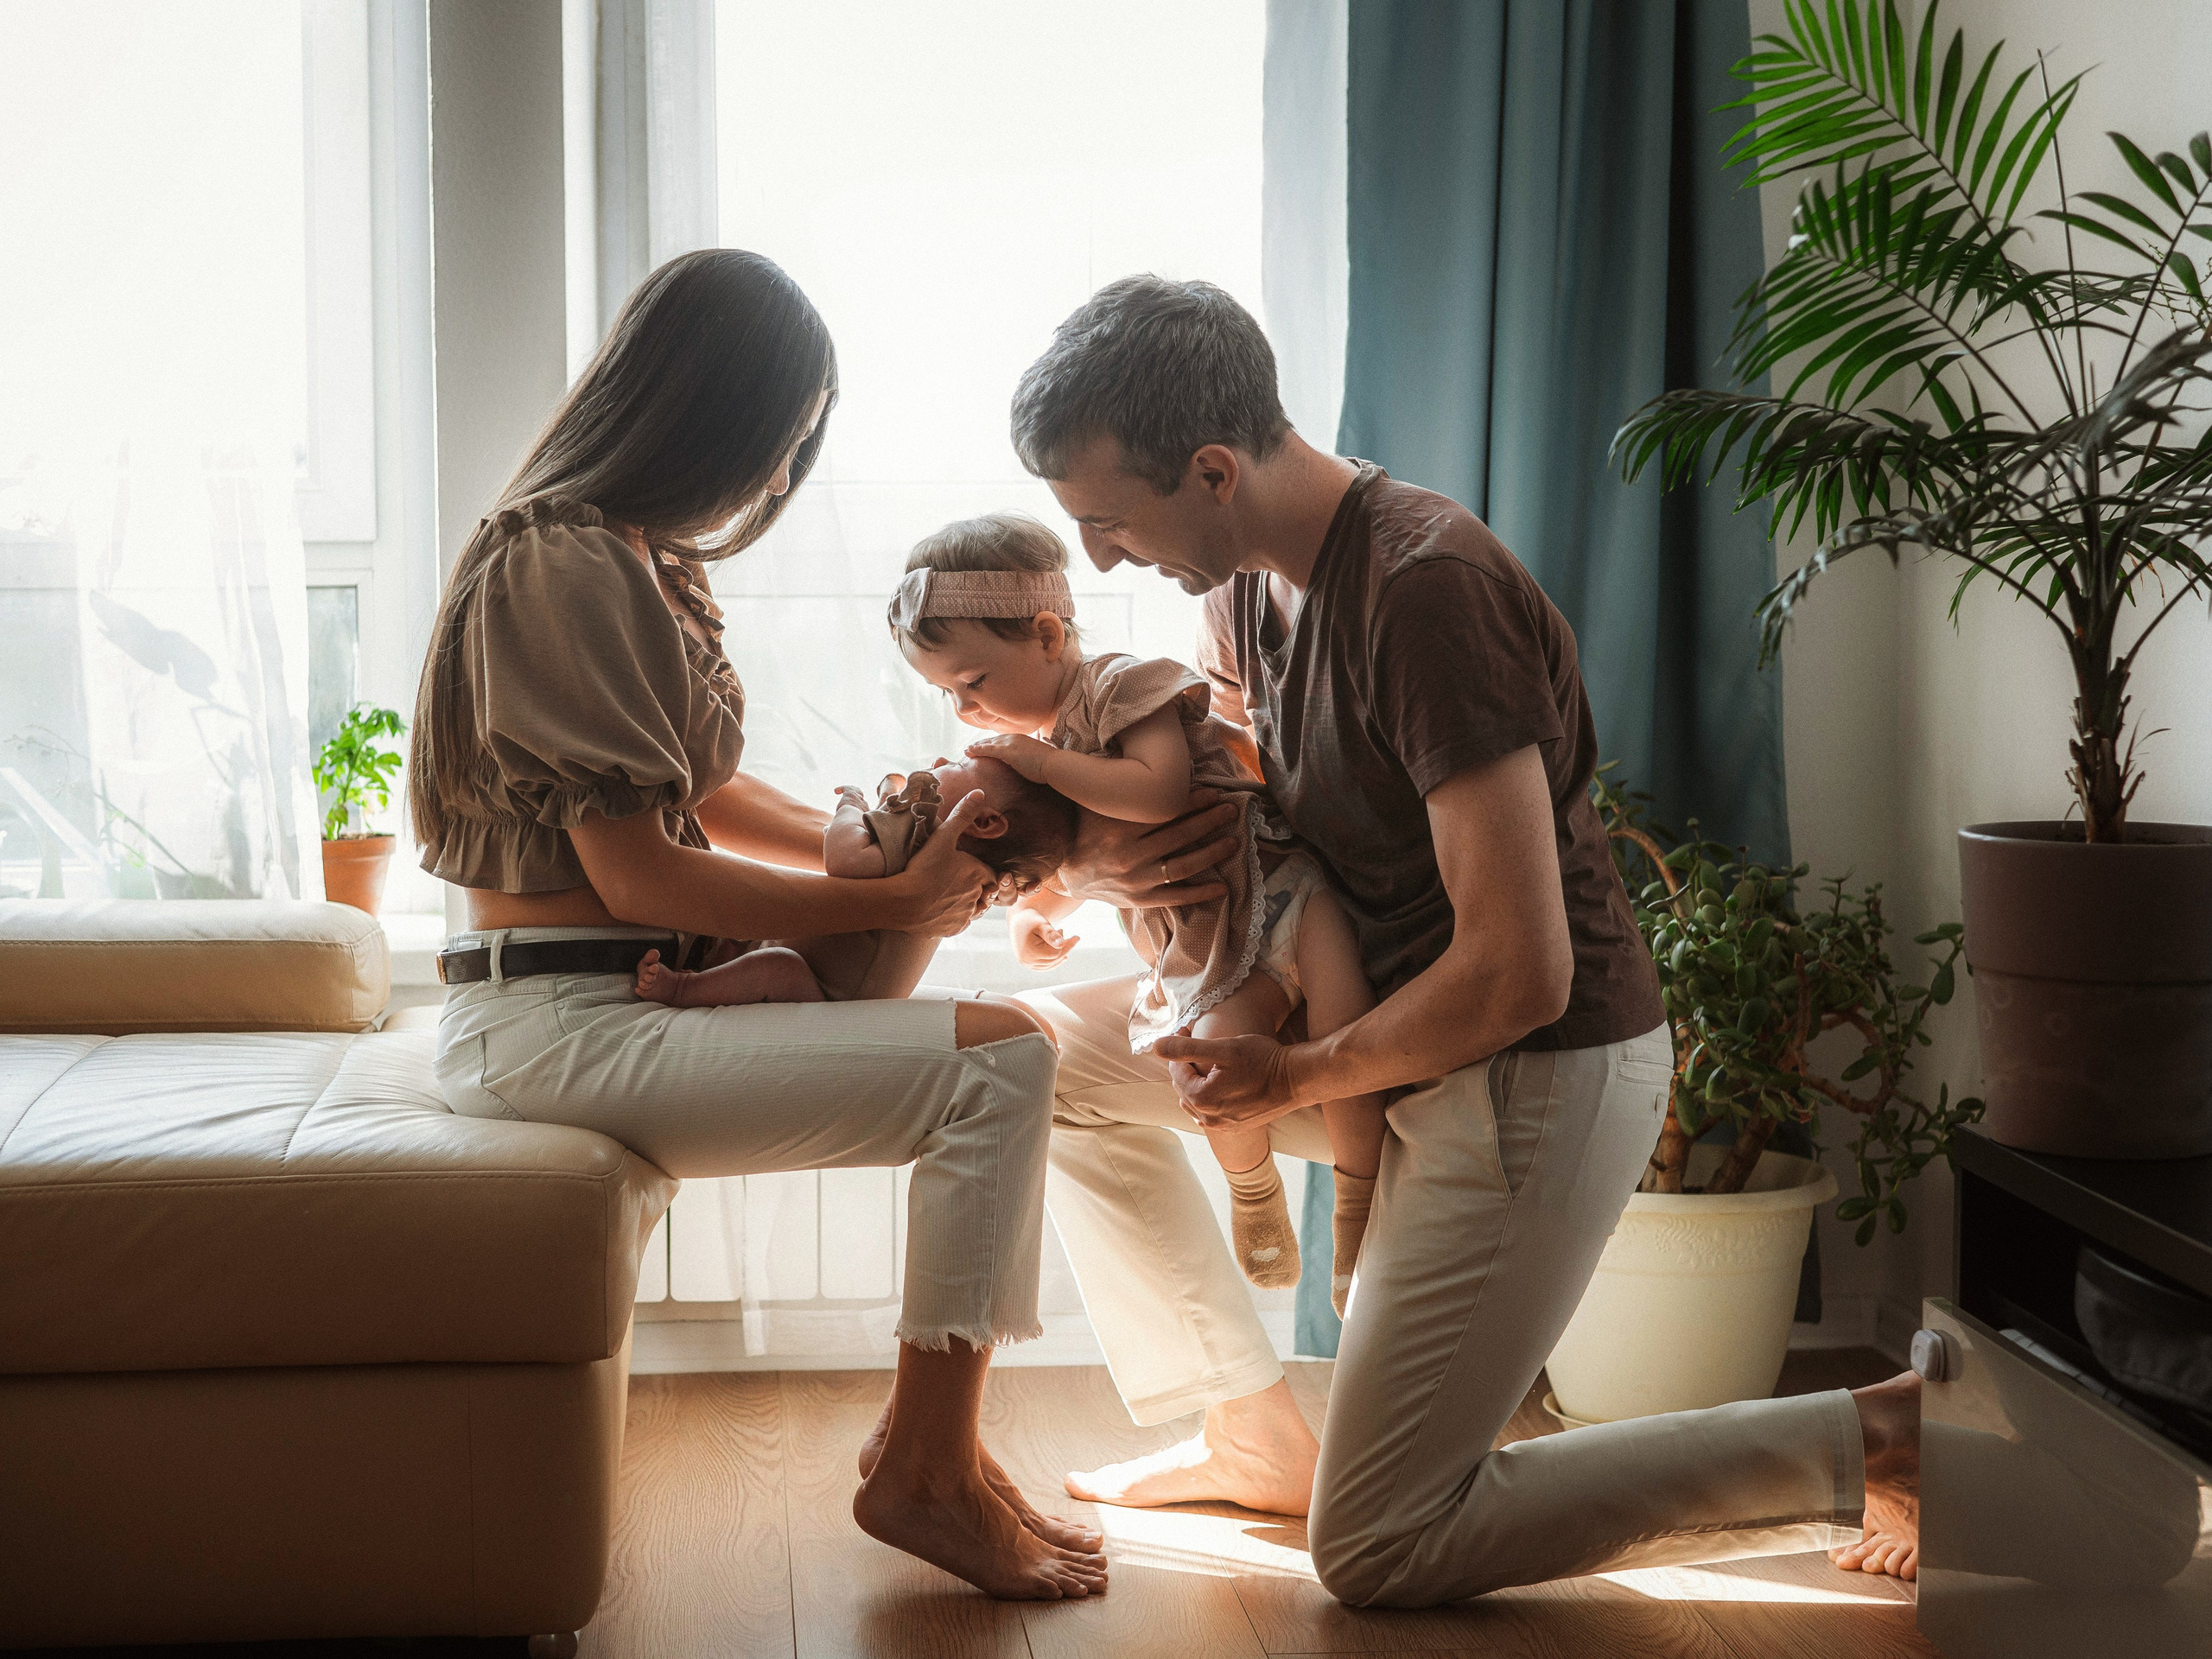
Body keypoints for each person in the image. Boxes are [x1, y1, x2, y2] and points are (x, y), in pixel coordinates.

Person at [1007, 274, 1924, 1603]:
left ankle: (1868, 1435)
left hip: (1532, 1071)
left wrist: (1296, 1081)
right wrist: (1075, 877)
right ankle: (1249, 1432)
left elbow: (1518, 969)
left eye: (1106, 522)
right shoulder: (1246, 595)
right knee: (1030, 1059)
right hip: (1387, 1026)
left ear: (1212, 469)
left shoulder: (1426, 591)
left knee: (1380, 1544)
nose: (1097, 561)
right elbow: (1253, 830)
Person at [410, 248, 1107, 1602]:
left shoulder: (629, 554)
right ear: (709, 412)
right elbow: (640, 877)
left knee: (955, 966)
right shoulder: (559, 559)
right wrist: (888, 897)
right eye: (781, 440)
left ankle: (932, 1445)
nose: (780, 480)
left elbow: (706, 791)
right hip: (556, 1022)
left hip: (615, 991)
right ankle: (929, 1466)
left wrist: (878, 859)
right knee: (1005, 1057)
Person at [888, 512, 1384, 1308]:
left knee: (1346, 1027)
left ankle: (1360, 1212)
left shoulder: (1124, 684)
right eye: (946, 694)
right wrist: (1031, 916)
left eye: (972, 683)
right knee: (1207, 1065)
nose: (966, 712)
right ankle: (1254, 1191)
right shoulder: (1041, 757)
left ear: (1047, 634)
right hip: (1211, 949)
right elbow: (1068, 863)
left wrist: (1046, 762)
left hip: (1283, 890)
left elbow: (1155, 791)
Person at [630, 753, 1077, 1007]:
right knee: (759, 949)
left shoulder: (928, 850)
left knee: (775, 967)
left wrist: (854, 804)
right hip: (844, 989)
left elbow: (844, 859)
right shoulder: (961, 872)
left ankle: (682, 989)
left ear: (985, 820)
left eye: (959, 764)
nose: (941, 759)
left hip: (824, 996)